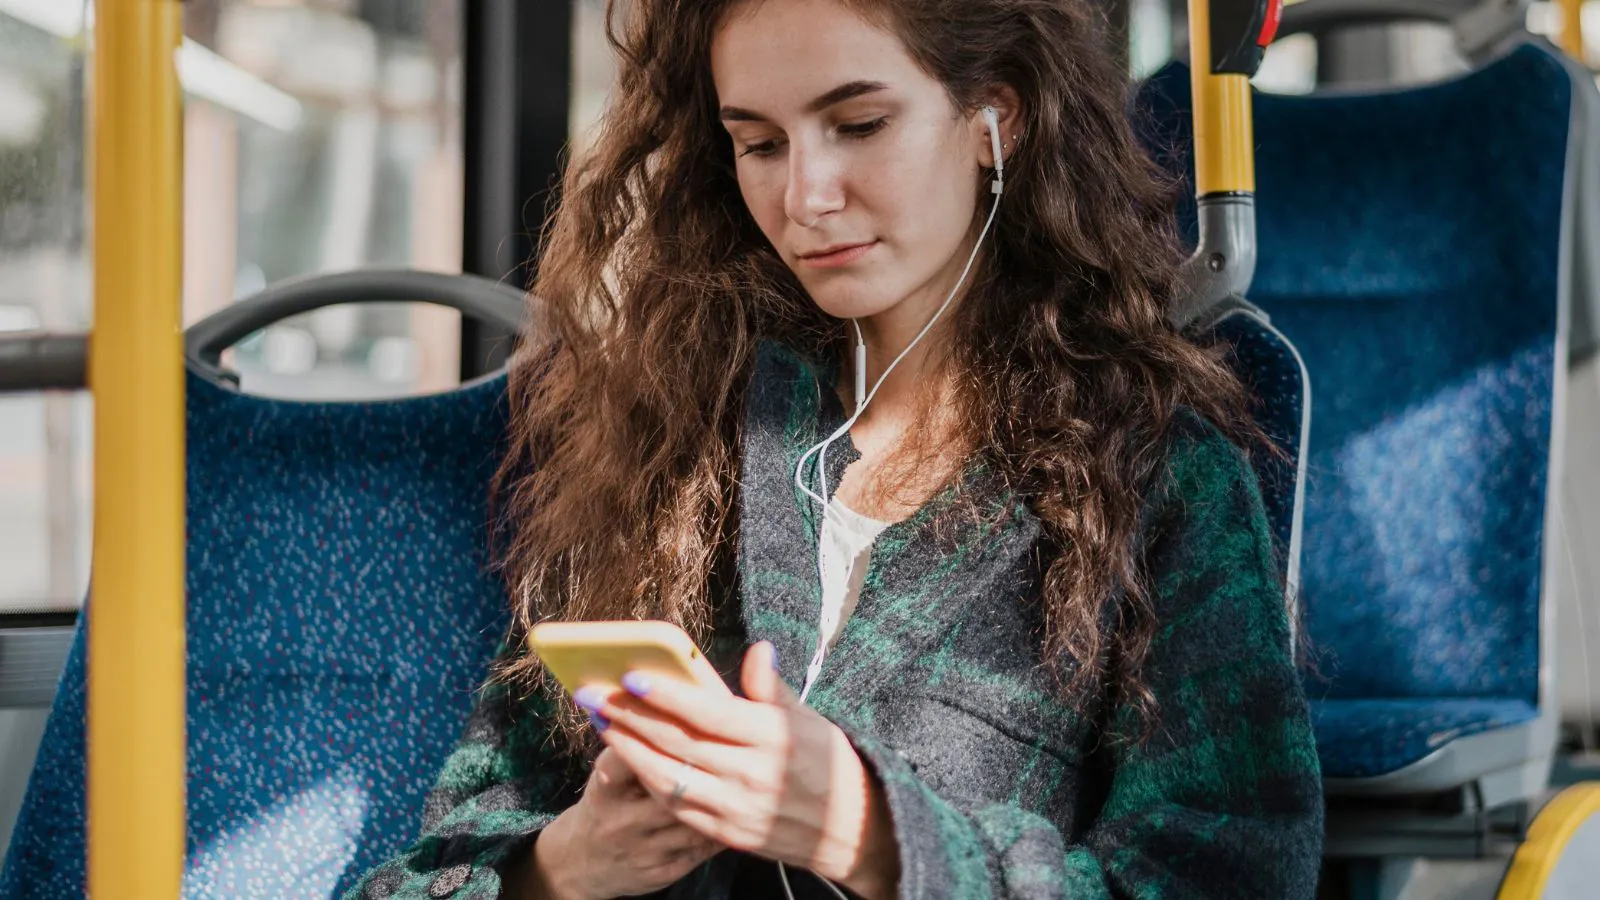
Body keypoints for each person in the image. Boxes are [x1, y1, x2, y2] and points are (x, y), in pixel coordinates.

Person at [347, 0, 1324, 897]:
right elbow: (430, 863)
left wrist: (876, 837)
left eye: (858, 125)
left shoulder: (1154, 471)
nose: (805, 196)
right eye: (759, 144)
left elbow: (1226, 877)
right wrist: (560, 869)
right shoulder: (668, 442)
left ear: (997, 119)